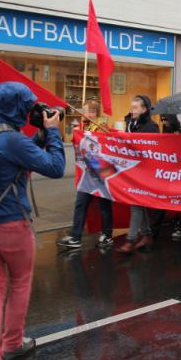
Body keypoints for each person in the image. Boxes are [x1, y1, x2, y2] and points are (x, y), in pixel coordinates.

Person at [0, 82, 65, 360]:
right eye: (29, 104)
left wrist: (38, 135)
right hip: (11, 224)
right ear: (21, 107)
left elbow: (19, 156)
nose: (33, 109)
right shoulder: (12, 140)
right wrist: (52, 131)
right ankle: (11, 343)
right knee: (21, 283)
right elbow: (55, 167)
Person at [57, 100, 114, 249]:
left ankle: (107, 234)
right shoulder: (86, 126)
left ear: (93, 113)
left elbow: (102, 147)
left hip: (100, 173)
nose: (83, 112)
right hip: (87, 174)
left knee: (104, 205)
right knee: (80, 204)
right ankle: (76, 236)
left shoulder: (102, 127)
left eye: (86, 110)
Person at [117, 96, 160, 255]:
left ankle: (131, 239)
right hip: (133, 171)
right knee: (138, 204)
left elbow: (154, 150)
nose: (131, 110)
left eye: (135, 108)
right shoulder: (130, 124)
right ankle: (147, 235)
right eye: (131, 106)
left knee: (135, 204)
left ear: (144, 110)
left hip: (145, 172)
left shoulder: (152, 127)